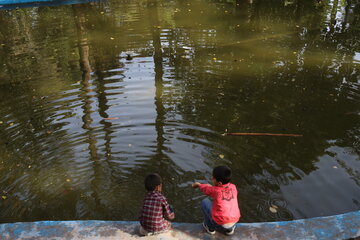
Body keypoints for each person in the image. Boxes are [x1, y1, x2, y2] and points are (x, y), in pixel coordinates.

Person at [192, 166, 240, 236]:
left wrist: (199, 185)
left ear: (220, 183)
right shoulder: (233, 187)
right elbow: (220, 191)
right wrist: (212, 187)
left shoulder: (215, 190)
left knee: (204, 202)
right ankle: (229, 231)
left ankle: (210, 228)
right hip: (235, 220)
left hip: (221, 222)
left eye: (213, 178)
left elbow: (206, 189)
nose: (212, 179)